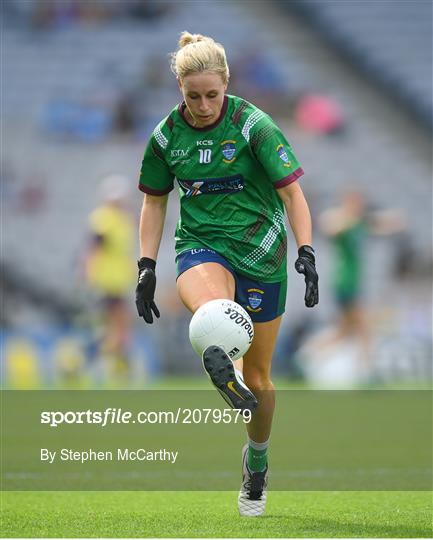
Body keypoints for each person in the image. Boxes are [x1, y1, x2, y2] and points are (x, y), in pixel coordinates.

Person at [135, 32, 318, 516]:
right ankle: (224, 361)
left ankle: (256, 461)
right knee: (215, 312)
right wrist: (147, 265)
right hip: (201, 247)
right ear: (179, 88)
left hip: (261, 254)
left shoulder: (254, 125)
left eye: (211, 94)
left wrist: (306, 252)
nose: (201, 105)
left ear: (226, 85)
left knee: (260, 384)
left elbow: (293, 195)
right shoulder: (165, 137)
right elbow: (154, 201)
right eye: (191, 96)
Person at [84, 174, 136, 380]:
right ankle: (100, 364)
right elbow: (93, 249)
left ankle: (98, 363)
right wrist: (89, 274)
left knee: (116, 329)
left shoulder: (122, 220)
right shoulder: (103, 218)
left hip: (120, 281)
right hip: (107, 281)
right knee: (117, 328)